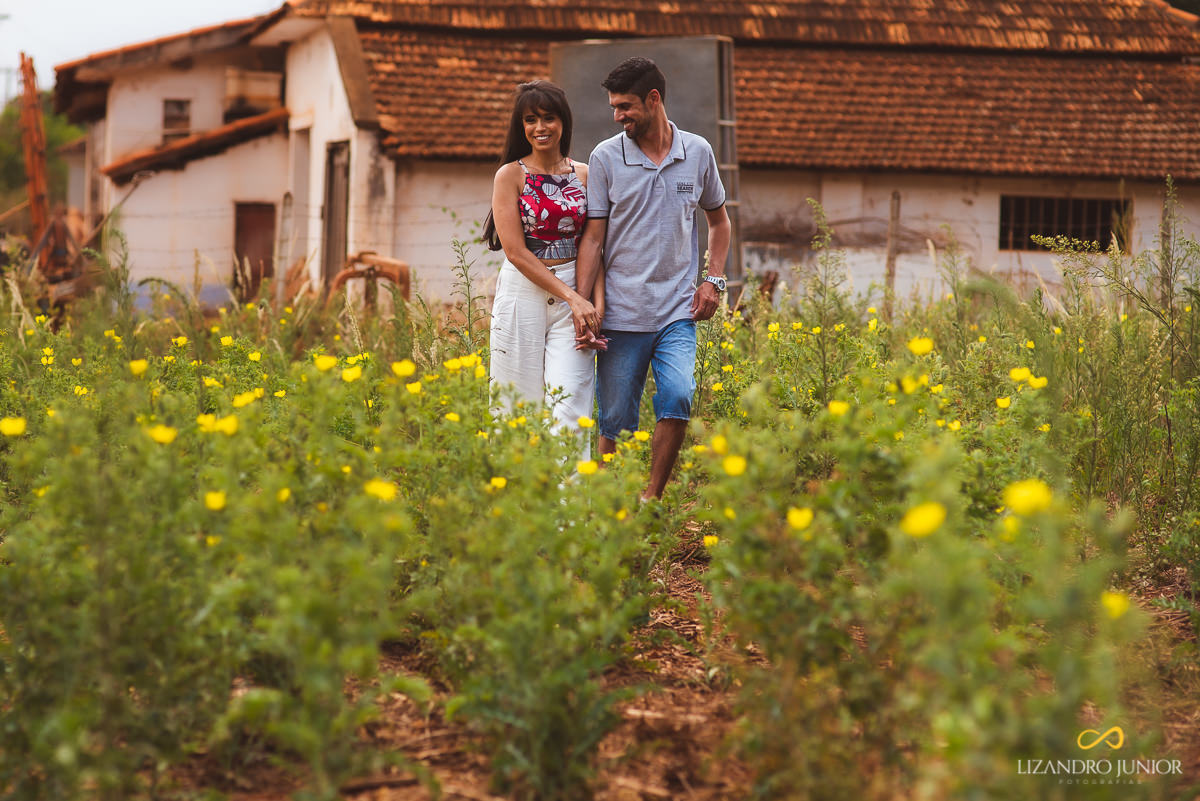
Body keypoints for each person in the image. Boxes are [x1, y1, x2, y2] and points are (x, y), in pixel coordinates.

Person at [575, 57, 731, 500]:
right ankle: (606, 509)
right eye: (614, 108)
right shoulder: (605, 157)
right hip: (622, 314)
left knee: (679, 397)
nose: (618, 116)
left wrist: (712, 281)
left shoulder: (698, 152)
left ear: (654, 99)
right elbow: (593, 241)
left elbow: (720, 223)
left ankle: (651, 499)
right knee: (617, 422)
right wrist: (583, 305)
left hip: (677, 313)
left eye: (625, 106)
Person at [482, 80, 606, 458]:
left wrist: (595, 306)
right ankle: (515, 508)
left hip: (576, 293)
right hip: (524, 293)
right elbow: (516, 252)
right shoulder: (510, 176)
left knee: (569, 409)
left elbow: (596, 244)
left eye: (548, 118)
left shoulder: (586, 175)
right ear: (521, 126)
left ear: (563, 122)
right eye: (531, 119)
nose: (540, 127)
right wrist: (574, 299)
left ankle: (568, 518)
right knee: (515, 410)